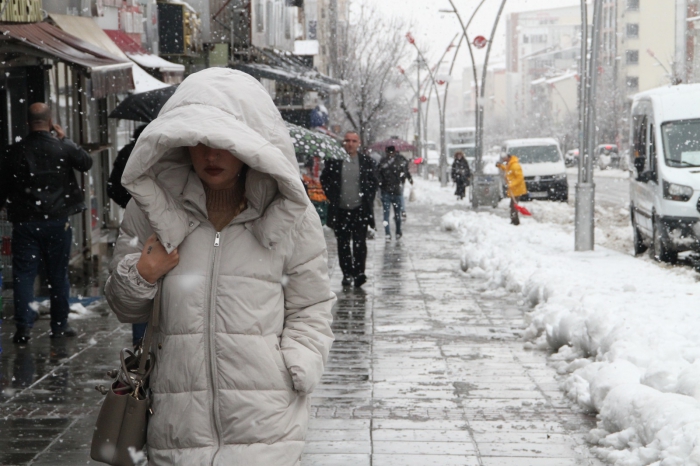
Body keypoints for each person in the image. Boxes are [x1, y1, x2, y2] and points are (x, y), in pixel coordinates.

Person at [104, 68, 335, 465]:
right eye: (199, 141)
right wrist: (142, 275)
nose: (210, 155)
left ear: (249, 144)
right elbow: (125, 308)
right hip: (177, 426)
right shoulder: (151, 209)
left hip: (267, 424)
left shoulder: (290, 215)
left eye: (224, 142)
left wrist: (297, 365)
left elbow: (311, 305)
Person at [0, 103, 93, 344]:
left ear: (27, 123)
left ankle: (23, 328)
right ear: (51, 122)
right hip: (56, 221)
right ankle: (59, 326)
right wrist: (66, 139)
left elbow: (4, 185)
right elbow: (86, 162)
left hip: (25, 223)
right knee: (58, 274)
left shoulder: (15, 151)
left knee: (24, 275)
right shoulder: (62, 147)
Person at [106, 124, 148, 346]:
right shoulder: (163, 154)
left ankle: (140, 345)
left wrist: (130, 202)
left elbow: (112, 188)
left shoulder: (128, 152)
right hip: (146, 222)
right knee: (141, 276)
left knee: (138, 276)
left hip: (139, 221)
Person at [320, 131, 378, 287]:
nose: (350, 144)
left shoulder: (366, 162)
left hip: (360, 210)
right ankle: (347, 273)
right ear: (343, 143)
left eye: (353, 141)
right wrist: (333, 195)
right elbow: (324, 179)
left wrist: (367, 197)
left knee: (360, 243)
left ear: (358, 143)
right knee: (343, 243)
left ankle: (359, 273)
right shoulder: (334, 161)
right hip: (340, 210)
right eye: (347, 140)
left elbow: (373, 181)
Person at [377, 145, 412, 241]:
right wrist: (405, 180)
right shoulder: (398, 161)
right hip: (395, 191)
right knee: (397, 215)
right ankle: (397, 232)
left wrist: (381, 184)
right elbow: (404, 173)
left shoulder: (383, 161)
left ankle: (388, 233)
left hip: (387, 191)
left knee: (387, 215)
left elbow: (378, 175)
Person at [497, 153, 528, 225]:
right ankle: (514, 220)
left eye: (504, 158)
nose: (503, 160)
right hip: (514, 189)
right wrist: (500, 166)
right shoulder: (510, 164)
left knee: (513, 205)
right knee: (513, 205)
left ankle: (515, 221)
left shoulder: (515, 165)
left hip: (517, 189)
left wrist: (511, 184)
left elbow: (519, 178)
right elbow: (507, 169)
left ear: (508, 157)